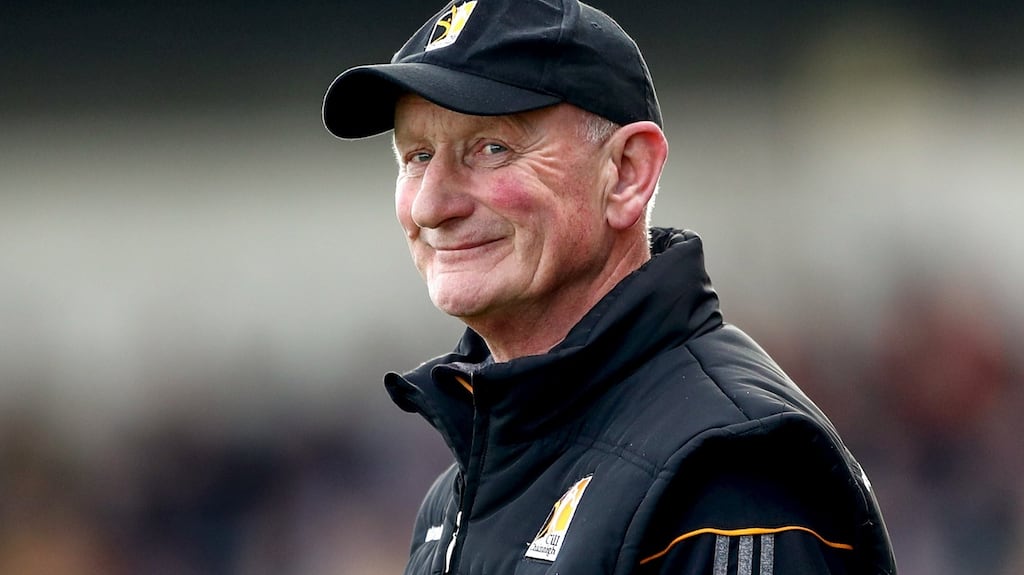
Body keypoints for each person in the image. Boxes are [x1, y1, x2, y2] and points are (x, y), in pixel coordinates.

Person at [322, 1, 898, 573]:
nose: (431, 205)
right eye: (417, 157)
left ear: (627, 173)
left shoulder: (725, 470)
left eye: (491, 148)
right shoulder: (452, 502)